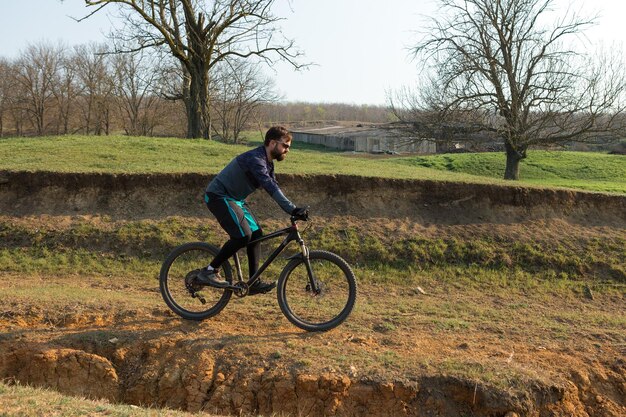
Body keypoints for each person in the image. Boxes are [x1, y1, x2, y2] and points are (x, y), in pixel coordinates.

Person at [197, 126, 308, 295]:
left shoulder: (267, 163)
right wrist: (292, 209)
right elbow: (270, 186)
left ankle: (253, 282)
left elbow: (274, 186)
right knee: (243, 236)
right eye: (285, 146)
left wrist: (292, 209)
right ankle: (210, 270)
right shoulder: (256, 159)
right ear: (272, 143)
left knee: (256, 234)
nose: (287, 150)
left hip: (234, 200)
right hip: (218, 196)